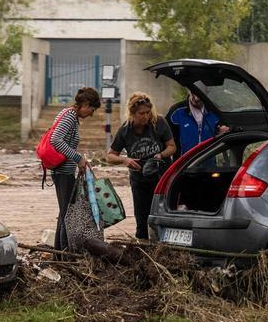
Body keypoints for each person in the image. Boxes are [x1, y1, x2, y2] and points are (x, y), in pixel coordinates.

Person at [106, 92, 177, 240]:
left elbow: (172, 147)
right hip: (139, 181)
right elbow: (110, 156)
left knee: (161, 215)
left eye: (147, 112)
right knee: (141, 219)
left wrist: (161, 155)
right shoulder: (125, 130)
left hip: (161, 179)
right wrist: (125, 160)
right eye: (141, 113)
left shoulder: (159, 123)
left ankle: (163, 246)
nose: (145, 116)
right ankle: (143, 249)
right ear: (132, 113)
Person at [49, 86, 100, 250]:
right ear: (84, 104)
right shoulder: (70, 117)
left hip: (64, 171)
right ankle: (65, 252)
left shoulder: (69, 115)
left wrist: (80, 160)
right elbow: (55, 140)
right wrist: (78, 158)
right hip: (63, 172)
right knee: (68, 214)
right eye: (91, 109)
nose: (91, 114)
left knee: (65, 212)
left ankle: (59, 251)